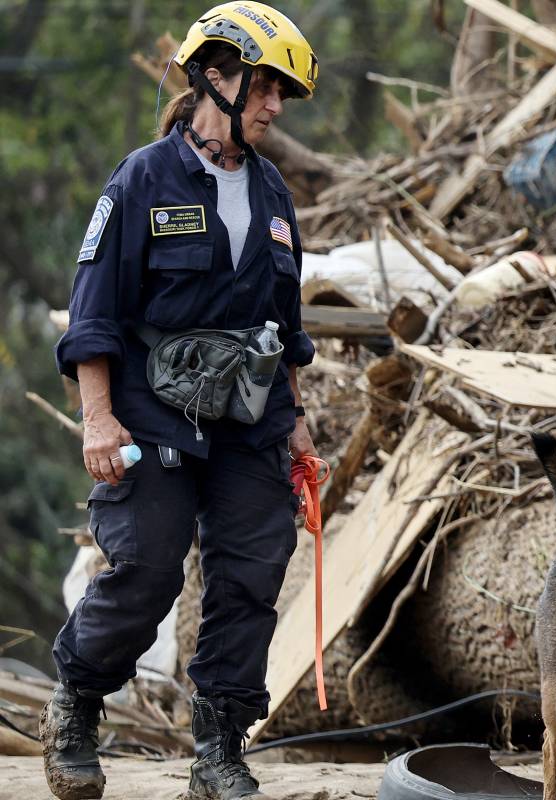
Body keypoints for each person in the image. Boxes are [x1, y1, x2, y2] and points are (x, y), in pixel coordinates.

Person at [44, 4, 320, 799]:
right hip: (151, 415)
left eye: (282, 95)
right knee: (150, 569)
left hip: (251, 422)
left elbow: (286, 330)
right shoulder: (141, 180)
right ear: (215, 77)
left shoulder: (272, 195)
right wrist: (98, 419)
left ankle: (220, 752)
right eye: (265, 88)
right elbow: (93, 313)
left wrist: (297, 425)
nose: (273, 107)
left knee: (250, 577)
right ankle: (77, 701)